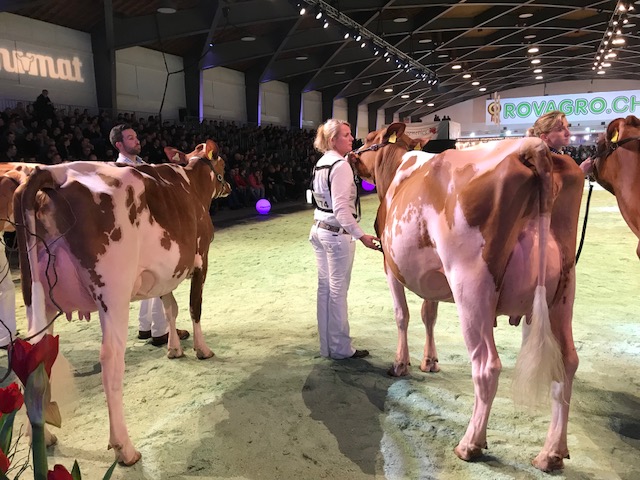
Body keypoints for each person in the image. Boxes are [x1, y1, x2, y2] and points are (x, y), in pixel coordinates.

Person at [109, 124, 189, 346]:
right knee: (158, 276)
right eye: (130, 138)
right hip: (141, 230)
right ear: (119, 144)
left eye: (136, 136)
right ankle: (160, 329)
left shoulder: (140, 164)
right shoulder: (121, 169)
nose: (137, 140)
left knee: (146, 277)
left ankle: (146, 326)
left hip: (145, 228)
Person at [309, 118, 381, 360]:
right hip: (336, 235)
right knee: (337, 292)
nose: (352, 139)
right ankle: (341, 349)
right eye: (346, 135)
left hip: (319, 229)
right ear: (333, 140)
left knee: (325, 290)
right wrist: (361, 235)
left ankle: (327, 346)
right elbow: (341, 210)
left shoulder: (322, 162)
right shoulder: (340, 166)